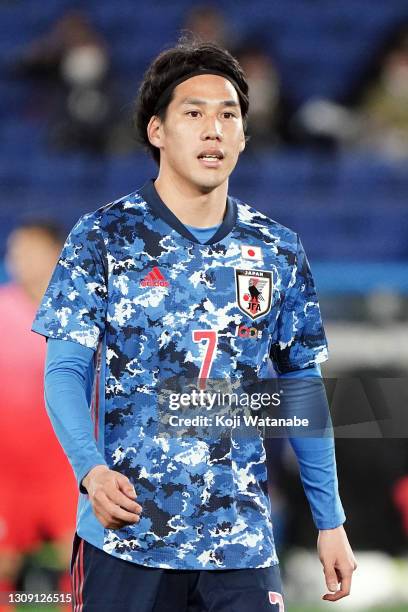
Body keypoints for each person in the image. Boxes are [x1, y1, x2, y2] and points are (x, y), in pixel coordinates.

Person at [32, 39, 357, 611]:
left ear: (244, 136)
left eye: (228, 115)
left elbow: (301, 390)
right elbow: (63, 372)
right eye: (194, 112)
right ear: (157, 131)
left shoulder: (276, 250)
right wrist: (91, 471)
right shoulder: (103, 237)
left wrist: (330, 519)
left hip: (242, 549)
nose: (214, 129)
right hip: (127, 541)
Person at [0, 222, 77, 600]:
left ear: (55, 253)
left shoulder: (84, 310)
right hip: (6, 466)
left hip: (67, 462)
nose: (19, 260)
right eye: (15, 251)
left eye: (29, 250)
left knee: (79, 562)